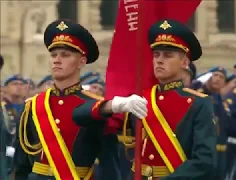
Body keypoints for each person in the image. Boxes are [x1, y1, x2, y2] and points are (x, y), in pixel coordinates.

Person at [11, 19, 148, 180]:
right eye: (53, 54)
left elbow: (109, 163)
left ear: (81, 62)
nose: (57, 59)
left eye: (65, 55)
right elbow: (20, 165)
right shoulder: (33, 107)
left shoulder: (98, 107)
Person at [125, 19, 217, 180]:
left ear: (184, 62)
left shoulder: (199, 103)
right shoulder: (141, 99)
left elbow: (204, 161)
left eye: (168, 55)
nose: (159, 60)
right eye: (156, 55)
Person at [195, 66, 229, 180]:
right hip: (205, 149)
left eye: (221, 77)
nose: (217, 79)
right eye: (215, 75)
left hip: (221, 149)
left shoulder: (221, 99)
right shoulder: (200, 94)